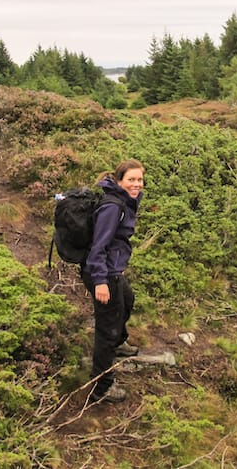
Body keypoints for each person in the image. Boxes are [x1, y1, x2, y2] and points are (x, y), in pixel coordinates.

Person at [81, 159, 145, 403]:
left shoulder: (125, 201)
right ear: (119, 181)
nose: (136, 184)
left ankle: (119, 341)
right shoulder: (113, 207)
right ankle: (101, 388)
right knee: (106, 329)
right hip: (103, 273)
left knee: (127, 299)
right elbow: (99, 246)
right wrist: (100, 281)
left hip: (112, 270)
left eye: (139, 179)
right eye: (131, 179)